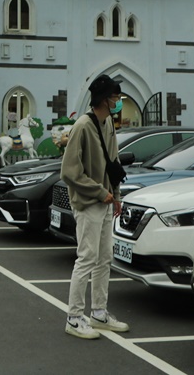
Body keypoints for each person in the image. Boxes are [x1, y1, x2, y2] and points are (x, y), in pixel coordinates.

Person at [60, 74, 129, 339]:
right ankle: (74, 317)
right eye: (115, 97)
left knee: (104, 258)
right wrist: (101, 193)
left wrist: (116, 194)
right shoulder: (83, 126)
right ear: (104, 99)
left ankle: (99, 313)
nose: (118, 101)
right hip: (89, 203)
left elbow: (114, 163)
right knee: (87, 258)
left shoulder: (108, 122)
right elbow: (69, 171)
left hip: (106, 202)